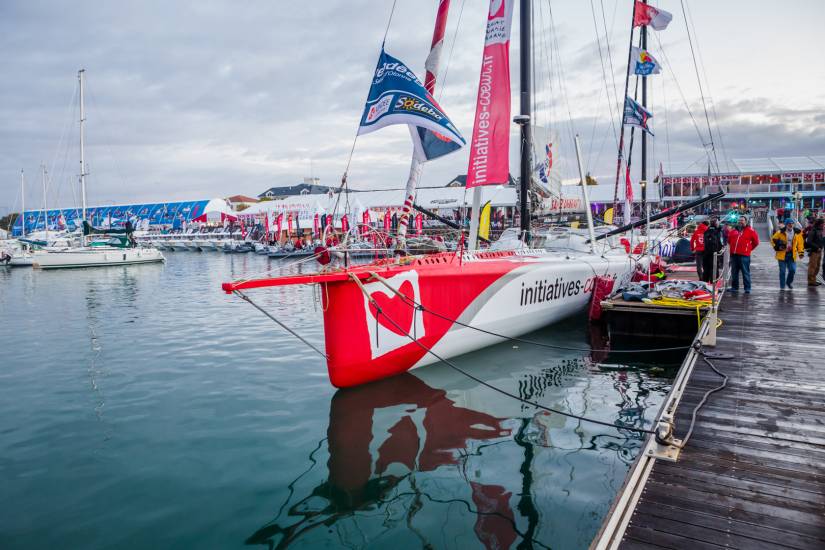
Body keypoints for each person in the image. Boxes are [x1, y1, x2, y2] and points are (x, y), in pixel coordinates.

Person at [727, 217, 760, 293]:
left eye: (742, 220)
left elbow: (756, 242)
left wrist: (748, 249)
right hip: (734, 255)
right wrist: (732, 248)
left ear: (746, 221)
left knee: (745, 272)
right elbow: (729, 240)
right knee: (734, 272)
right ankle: (735, 287)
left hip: (744, 255)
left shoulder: (750, 230)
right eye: (739, 220)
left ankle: (747, 288)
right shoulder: (733, 231)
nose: (740, 222)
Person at [771, 219, 805, 290]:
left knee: (792, 270)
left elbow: (800, 244)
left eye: (792, 223)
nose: (791, 225)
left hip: (792, 255)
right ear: (786, 225)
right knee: (782, 272)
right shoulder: (780, 232)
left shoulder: (798, 233)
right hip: (782, 254)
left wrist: (801, 253)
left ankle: (789, 282)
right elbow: (773, 240)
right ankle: (782, 286)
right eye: (789, 223)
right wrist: (778, 247)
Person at [701, 217, 724, 283]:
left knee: (707, 269)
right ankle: (712, 282)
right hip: (712, 253)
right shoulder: (713, 231)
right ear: (716, 223)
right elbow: (713, 243)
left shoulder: (710, 231)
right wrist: (718, 250)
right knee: (712, 268)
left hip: (708, 253)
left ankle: (707, 281)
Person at [806, 218, 824, 286]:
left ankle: (813, 279)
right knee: (812, 266)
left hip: (819, 251)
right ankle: (811, 281)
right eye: (822, 223)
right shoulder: (813, 231)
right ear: (819, 224)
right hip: (814, 251)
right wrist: (817, 247)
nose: (823, 224)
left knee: (817, 266)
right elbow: (809, 242)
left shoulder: (820, 230)